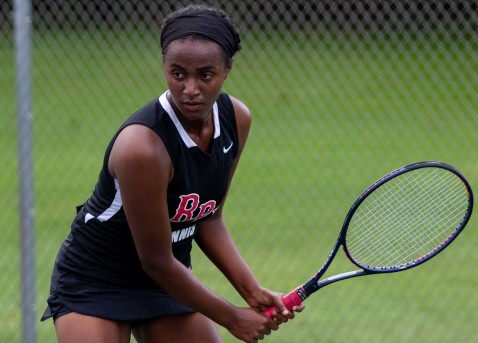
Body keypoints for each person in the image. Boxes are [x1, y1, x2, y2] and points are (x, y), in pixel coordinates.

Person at [41, 4, 303, 343]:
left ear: (227, 69)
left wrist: (251, 291)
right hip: (99, 279)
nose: (190, 88)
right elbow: (156, 261)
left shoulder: (236, 119)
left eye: (205, 75)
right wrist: (231, 317)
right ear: (165, 68)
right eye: (178, 74)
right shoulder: (143, 147)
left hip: (169, 279)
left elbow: (208, 218)